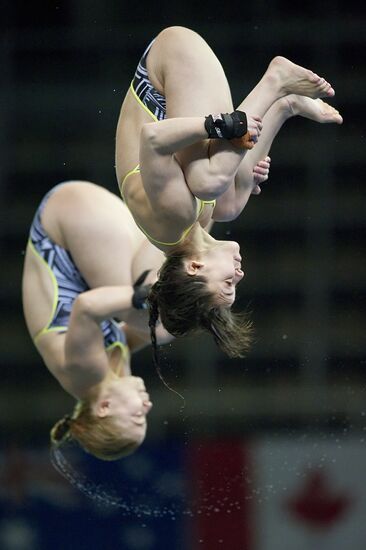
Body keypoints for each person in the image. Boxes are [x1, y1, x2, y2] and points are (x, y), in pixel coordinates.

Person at [115, 26, 342, 359]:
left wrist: (221, 125)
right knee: (230, 202)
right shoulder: (192, 229)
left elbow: (152, 140)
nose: (239, 274)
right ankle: (285, 104)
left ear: (194, 268)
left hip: (168, 63)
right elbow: (229, 165)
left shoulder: (174, 216)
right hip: (182, 86)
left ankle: (275, 80)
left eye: (227, 284)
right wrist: (245, 168)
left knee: (209, 182)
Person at [22, 181, 173, 461]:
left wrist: (143, 295)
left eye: (138, 416)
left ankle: (194, 200)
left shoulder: (85, 373)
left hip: (64, 224)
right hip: (84, 224)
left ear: (104, 407)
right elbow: (134, 334)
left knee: (157, 320)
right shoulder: (113, 375)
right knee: (165, 326)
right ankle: (205, 200)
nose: (147, 405)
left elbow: (88, 307)